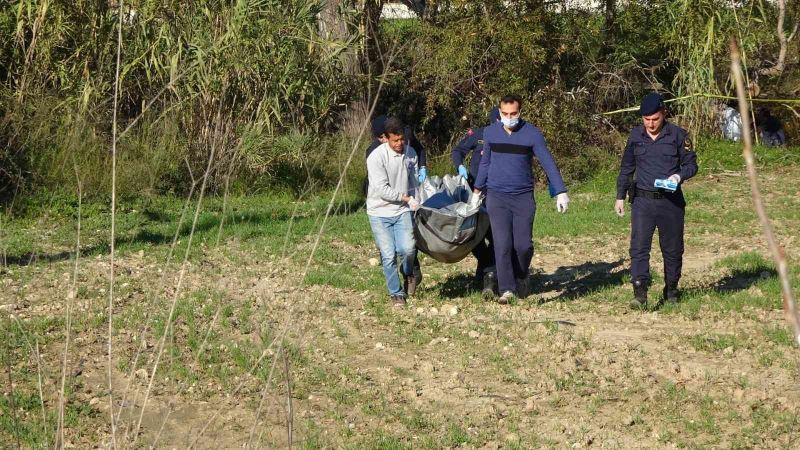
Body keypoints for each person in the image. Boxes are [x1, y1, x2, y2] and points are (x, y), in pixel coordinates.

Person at [473, 95, 570, 304]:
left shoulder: (532, 134)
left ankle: (522, 274)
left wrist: (560, 191)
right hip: (496, 196)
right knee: (502, 244)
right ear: (499, 113)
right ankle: (507, 289)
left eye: (513, 114)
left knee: (523, 246)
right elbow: (485, 163)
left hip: (523, 197)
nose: (509, 118)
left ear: (520, 112)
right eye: (505, 114)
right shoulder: (490, 133)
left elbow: (547, 162)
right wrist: (477, 190)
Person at [615, 93, 698, 309]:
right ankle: (640, 292)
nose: (651, 124)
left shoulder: (678, 135)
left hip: (670, 202)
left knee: (672, 249)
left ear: (663, 114)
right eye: (646, 119)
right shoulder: (635, 136)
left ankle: (671, 288)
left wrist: (679, 176)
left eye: (655, 119)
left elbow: (691, 165)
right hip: (642, 201)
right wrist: (619, 196)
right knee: (639, 248)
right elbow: (627, 167)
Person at [366, 117, 421, 307]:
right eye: (394, 141)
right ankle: (396, 294)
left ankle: (408, 272)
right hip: (379, 212)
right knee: (388, 255)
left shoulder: (410, 153)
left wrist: (418, 198)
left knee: (408, 249)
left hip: (401, 211)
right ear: (386, 139)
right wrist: (406, 198)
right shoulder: (376, 157)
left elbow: (414, 180)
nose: (399, 144)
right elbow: (382, 189)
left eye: (401, 140)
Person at [451, 107, 501, 298]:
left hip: (497, 193)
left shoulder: (510, 138)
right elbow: (458, 151)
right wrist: (460, 166)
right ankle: (486, 267)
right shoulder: (479, 135)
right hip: (475, 194)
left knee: (496, 236)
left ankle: (490, 275)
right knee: (474, 236)